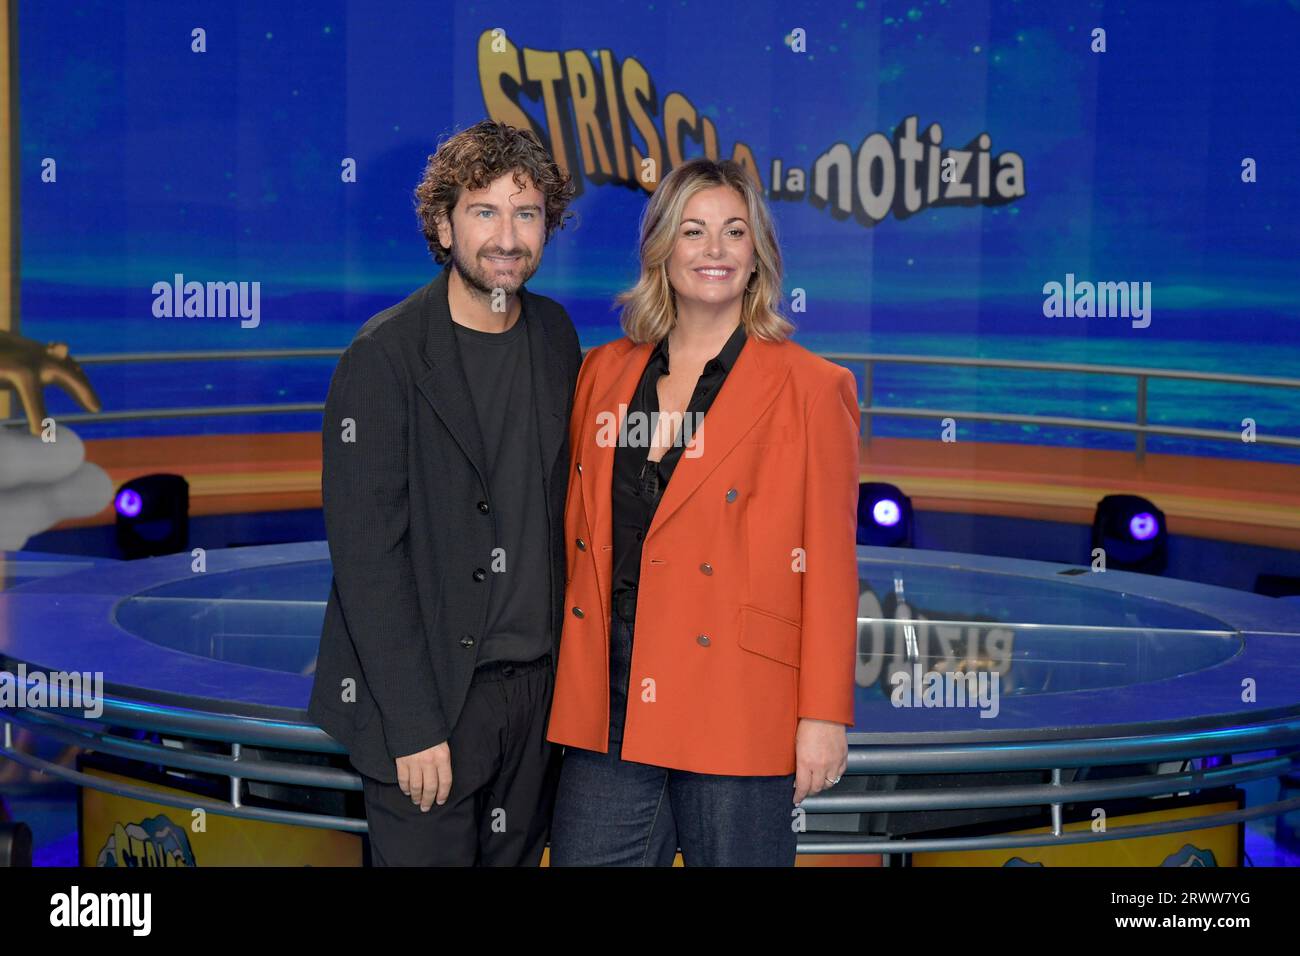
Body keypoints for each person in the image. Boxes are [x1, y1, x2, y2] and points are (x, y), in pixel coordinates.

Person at [547, 157, 861, 866]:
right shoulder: (603, 374)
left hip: (738, 706)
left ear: (758, 257)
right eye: (693, 231)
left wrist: (824, 716)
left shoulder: (813, 389)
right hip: (613, 707)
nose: (714, 250)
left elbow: (833, 570)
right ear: (662, 250)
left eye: (733, 232)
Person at [308, 120, 580, 865]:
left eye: (526, 214)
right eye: (483, 211)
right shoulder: (383, 357)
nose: (506, 236)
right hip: (431, 700)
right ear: (442, 223)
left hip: (534, 699)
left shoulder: (557, 337)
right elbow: (367, 561)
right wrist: (414, 724)